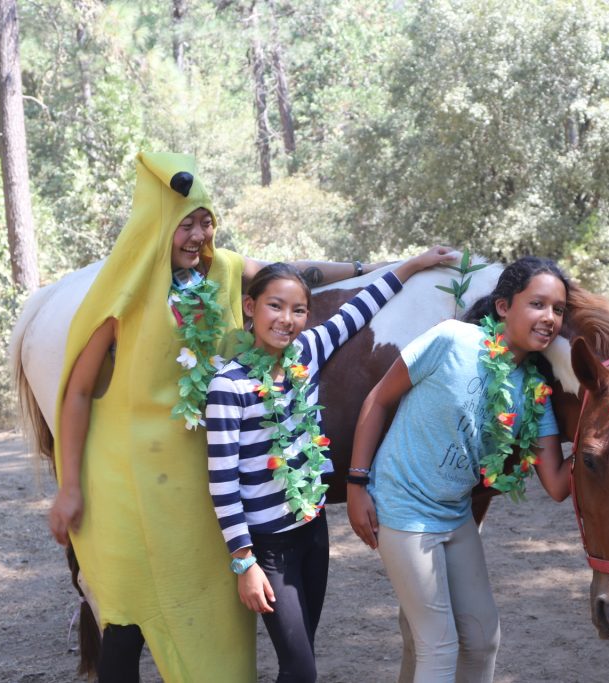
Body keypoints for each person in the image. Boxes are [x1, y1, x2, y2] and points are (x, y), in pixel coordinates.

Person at [47, 151, 390, 681]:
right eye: (185, 222)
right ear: (156, 224)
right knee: (129, 616)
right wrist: (69, 487)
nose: (198, 234)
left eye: (206, 220)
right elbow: (77, 392)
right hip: (131, 482)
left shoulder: (225, 271)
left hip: (205, 479)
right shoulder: (121, 299)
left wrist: (370, 269)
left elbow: (292, 276)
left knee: (208, 605)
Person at [206, 249, 453, 683]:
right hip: (268, 547)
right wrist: (245, 563)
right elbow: (223, 483)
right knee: (301, 671)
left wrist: (412, 264)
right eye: (275, 306)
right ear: (250, 307)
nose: (287, 319)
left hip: (313, 532)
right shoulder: (228, 385)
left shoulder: (308, 351)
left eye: (298, 310)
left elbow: (359, 309)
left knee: (302, 660)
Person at [346, 256, 574, 682]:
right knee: (439, 646)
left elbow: (558, 485)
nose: (549, 318)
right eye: (538, 304)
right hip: (404, 508)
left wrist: (599, 441)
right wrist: (357, 484)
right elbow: (378, 400)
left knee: (484, 639)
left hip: (455, 515)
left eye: (558, 310)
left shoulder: (535, 390)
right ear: (504, 306)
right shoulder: (452, 339)